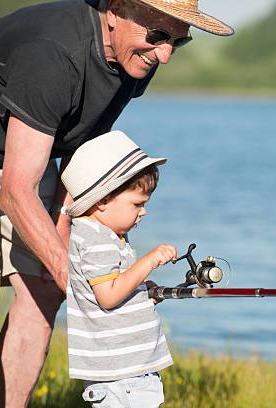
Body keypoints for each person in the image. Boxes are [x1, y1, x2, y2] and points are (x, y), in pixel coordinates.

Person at [0, 0, 232, 405]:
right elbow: (15, 191)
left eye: (178, 42)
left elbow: (83, 145)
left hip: (28, 152)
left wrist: (67, 244)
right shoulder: (54, 52)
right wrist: (75, 275)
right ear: (114, 10)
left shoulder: (136, 57)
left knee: (44, 285)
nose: (165, 54)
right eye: (158, 36)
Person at [62, 130, 176, 407]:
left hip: (128, 370)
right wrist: (147, 262)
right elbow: (108, 295)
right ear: (101, 200)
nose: (144, 211)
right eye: (137, 204)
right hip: (120, 377)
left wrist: (142, 292)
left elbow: (114, 286)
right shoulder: (95, 239)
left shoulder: (106, 234)